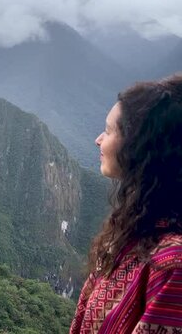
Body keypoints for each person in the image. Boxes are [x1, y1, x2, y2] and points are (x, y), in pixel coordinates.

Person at [70, 75, 182, 333]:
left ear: (141, 147)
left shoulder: (172, 264)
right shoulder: (133, 229)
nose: (98, 139)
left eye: (109, 131)